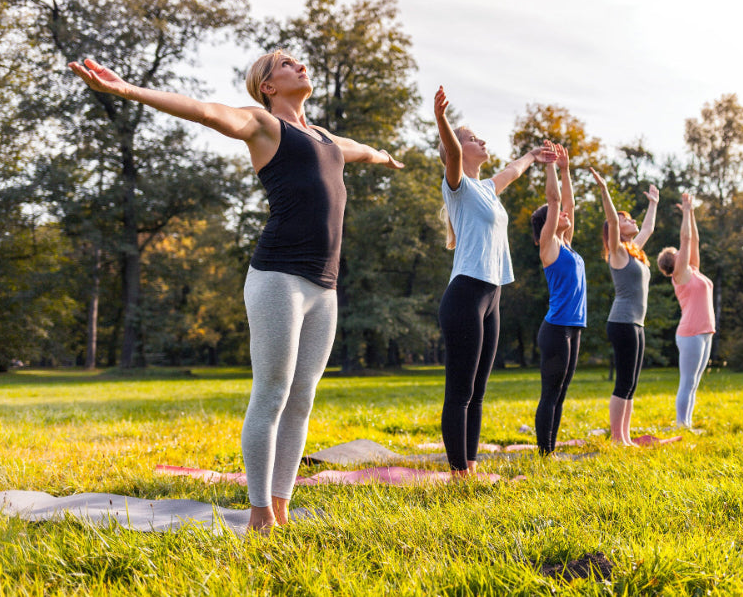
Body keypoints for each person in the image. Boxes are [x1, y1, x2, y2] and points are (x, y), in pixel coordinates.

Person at [69, 51, 403, 533]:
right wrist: (125, 91)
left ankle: (281, 505)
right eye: (286, 63)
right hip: (278, 278)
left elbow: (363, 150)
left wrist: (386, 157)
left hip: (323, 287)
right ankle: (259, 512)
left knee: (302, 399)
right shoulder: (264, 126)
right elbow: (204, 110)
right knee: (271, 395)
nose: (299, 64)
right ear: (267, 86)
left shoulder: (327, 139)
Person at [433, 86, 556, 476]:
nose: (481, 141)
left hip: (492, 295)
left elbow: (512, 171)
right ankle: (458, 476)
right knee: (460, 392)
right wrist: (443, 122)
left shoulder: (487, 190)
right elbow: (452, 152)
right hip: (466, 294)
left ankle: (470, 465)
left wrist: (535, 156)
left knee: (479, 392)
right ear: (457, 148)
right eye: (473, 138)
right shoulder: (458, 186)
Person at [589, 169, 659, 446]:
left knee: (631, 382)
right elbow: (611, 221)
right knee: (623, 381)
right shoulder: (617, 253)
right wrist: (605, 190)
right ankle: (618, 439)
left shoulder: (635, 251)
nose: (631, 220)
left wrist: (653, 203)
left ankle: (626, 437)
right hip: (622, 322)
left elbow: (648, 229)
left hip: (636, 323)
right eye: (623, 219)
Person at [529, 145, 585, 456]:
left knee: (561, 393)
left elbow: (569, 204)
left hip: (573, 328)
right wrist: (549, 166)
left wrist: (565, 169)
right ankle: (544, 453)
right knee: (550, 393)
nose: (564, 214)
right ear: (547, 224)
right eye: (557, 215)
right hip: (556, 330)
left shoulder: (569, 246)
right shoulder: (549, 247)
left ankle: (551, 450)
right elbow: (555, 202)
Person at [657, 193, 715, 432]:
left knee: (694, 383)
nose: (685, 252)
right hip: (690, 333)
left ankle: (687, 424)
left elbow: (695, 240)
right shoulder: (680, 276)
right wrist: (684, 213)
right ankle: (682, 425)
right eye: (680, 252)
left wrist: (691, 212)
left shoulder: (694, 270)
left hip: (704, 331)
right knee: (687, 381)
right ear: (675, 261)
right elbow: (686, 238)